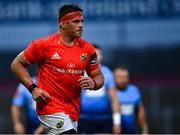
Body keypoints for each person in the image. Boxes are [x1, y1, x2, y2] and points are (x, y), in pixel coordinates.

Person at [11, 4, 104, 134]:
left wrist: (94, 83)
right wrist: (33, 88)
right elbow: (16, 64)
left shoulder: (88, 49)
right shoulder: (43, 45)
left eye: (82, 21)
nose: (81, 25)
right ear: (63, 24)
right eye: (76, 21)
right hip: (50, 108)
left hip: (73, 110)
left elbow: (99, 76)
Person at [79, 44, 121, 134]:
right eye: (93, 55)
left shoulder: (107, 73)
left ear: (102, 56)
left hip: (104, 120)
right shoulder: (80, 72)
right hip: (83, 119)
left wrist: (117, 122)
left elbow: (114, 99)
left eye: (98, 55)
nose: (95, 57)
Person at [113, 66, 149, 134]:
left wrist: (145, 129)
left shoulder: (134, 90)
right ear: (113, 77)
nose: (123, 80)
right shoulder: (110, 92)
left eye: (125, 77)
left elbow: (140, 111)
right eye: (120, 77)